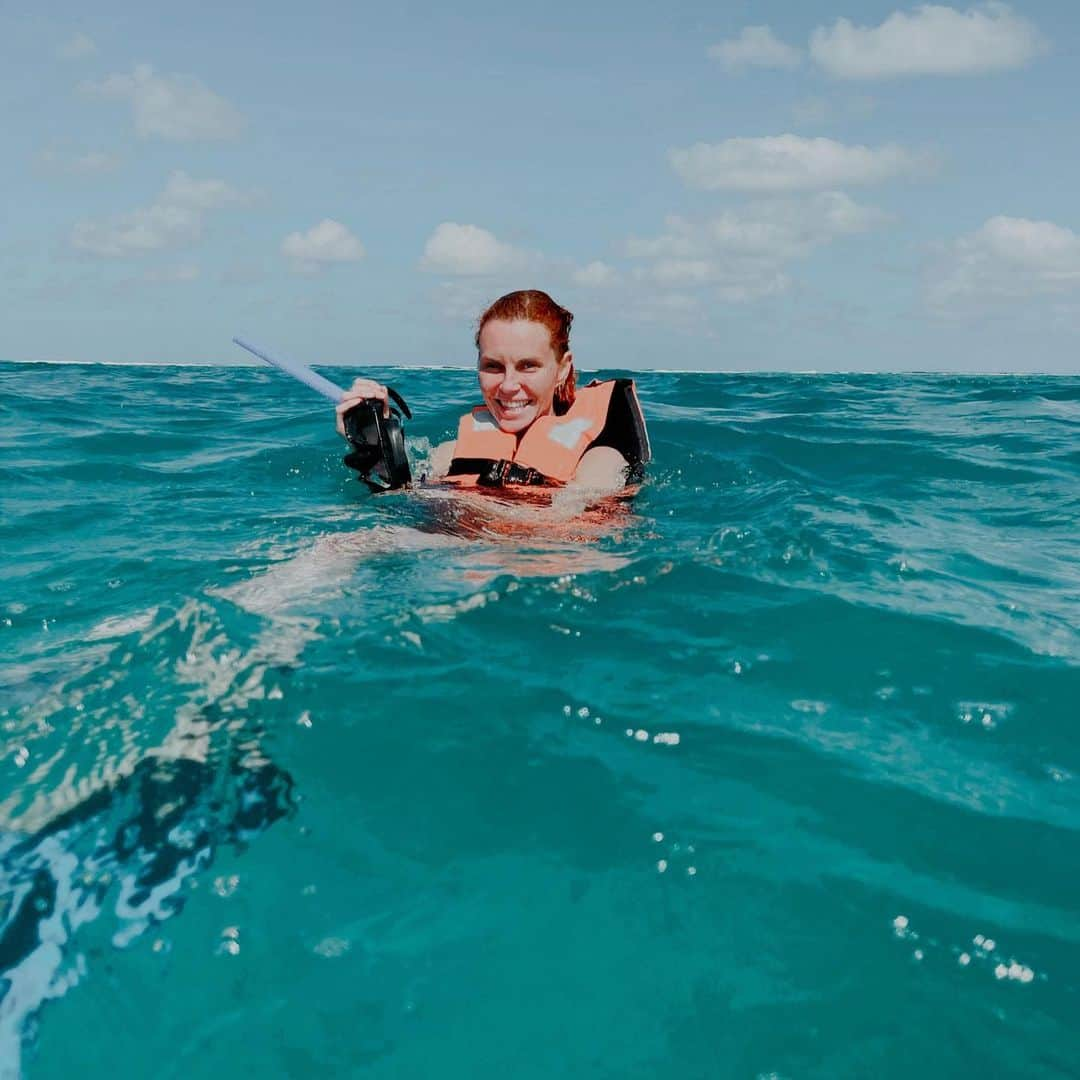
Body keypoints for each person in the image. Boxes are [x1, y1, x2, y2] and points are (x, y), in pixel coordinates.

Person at [334, 290, 649, 495]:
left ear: (563, 367)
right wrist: (377, 447)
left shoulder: (599, 460)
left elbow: (569, 536)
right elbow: (399, 507)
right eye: (493, 367)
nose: (509, 385)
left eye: (528, 366)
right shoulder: (449, 454)